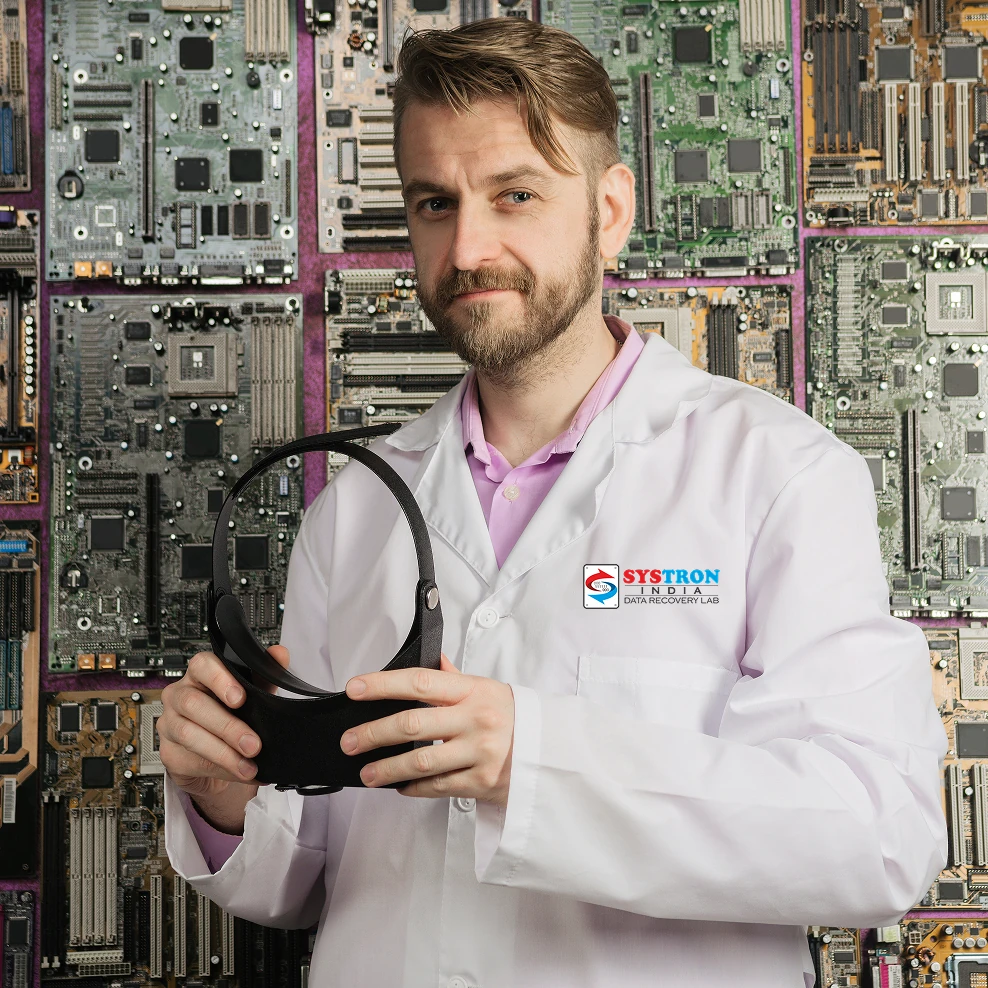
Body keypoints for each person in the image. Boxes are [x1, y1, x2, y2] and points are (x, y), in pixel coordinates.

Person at [161, 17, 948, 987]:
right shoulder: (356, 514)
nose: (468, 247)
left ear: (609, 210)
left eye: (515, 195)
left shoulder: (777, 475)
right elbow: (309, 874)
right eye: (433, 203)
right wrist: (223, 794)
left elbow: (871, 836)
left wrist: (530, 763)